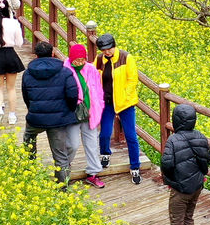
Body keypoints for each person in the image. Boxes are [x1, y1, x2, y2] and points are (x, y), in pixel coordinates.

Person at [22, 41, 80, 186]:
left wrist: (33, 109)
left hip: (35, 118)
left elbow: (25, 95)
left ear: (36, 55)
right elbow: (72, 94)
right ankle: (62, 186)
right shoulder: (65, 72)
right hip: (58, 120)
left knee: (29, 137)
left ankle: (29, 169)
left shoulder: (28, 73)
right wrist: (68, 111)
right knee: (60, 155)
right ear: (53, 53)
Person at [161, 103, 210, 225]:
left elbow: (167, 164)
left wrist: (170, 179)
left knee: (176, 221)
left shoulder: (173, 140)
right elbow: (206, 160)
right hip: (196, 185)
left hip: (181, 187)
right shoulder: (200, 137)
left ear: (176, 120)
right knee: (188, 217)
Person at [93, 33, 141, 184]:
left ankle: (135, 167)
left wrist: (125, 97)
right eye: (103, 50)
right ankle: (105, 153)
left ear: (114, 46)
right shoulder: (99, 60)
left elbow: (132, 80)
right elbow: (93, 77)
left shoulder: (126, 58)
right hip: (107, 102)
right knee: (105, 133)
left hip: (125, 104)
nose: (107, 52)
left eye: (109, 49)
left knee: (131, 136)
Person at [63, 44, 106, 188]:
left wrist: (99, 105)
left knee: (92, 143)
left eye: (82, 60)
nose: (80, 62)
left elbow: (98, 89)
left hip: (90, 112)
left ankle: (93, 173)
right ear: (71, 58)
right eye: (77, 60)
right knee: (72, 144)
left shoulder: (91, 69)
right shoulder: (65, 70)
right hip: (73, 113)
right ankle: (64, 167)